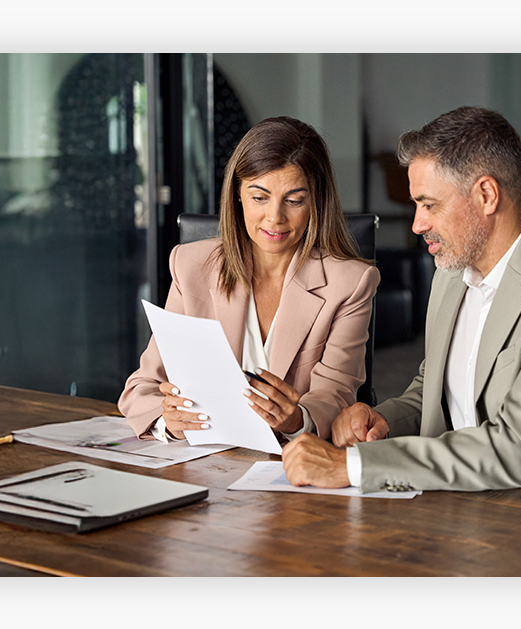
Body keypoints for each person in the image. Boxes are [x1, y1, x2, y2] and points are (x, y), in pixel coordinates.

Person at [281, 106, 521, 493]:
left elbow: (517, 450)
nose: (418, 224)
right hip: (497, 507)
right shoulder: (453, 270)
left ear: (486, 195)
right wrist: (381, 421)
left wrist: (353, 465)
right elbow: (436, 390)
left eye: (429, 204)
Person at [118, 116, 380, 443]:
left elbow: (336, 394)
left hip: (290, 463)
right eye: (259, 197)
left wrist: (298, 418)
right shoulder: (190, 265)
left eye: (295, 200)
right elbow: (141, 389)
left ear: (317, 201)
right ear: (237, 195)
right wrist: (167, 420)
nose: (275, 217)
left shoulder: (351, 283)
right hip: (203, 460)